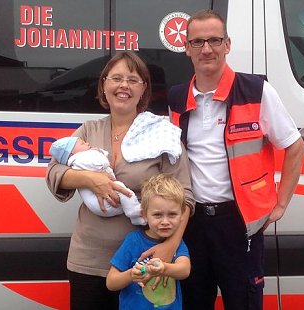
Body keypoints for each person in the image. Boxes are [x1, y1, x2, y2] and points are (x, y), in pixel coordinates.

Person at [167, 9, 304, 310]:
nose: (206, 49)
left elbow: (295, 147)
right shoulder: (176, 99)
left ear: (227, 45)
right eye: (198, 42)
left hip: (239, 224)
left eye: (214, 40)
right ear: (187, 48)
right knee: (193, 302)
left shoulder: (256, 91)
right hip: (193, 224)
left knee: (243, 302)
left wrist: (280, 204)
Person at [46, 51, 194, 310]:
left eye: (133, 79)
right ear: (103, 85)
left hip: (143, 263)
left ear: (143, 88)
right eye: (116, 78)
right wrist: (91, 180)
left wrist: (170, 247)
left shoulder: (163, 134)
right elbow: (54, 173)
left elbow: (186, 197)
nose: (123, 85)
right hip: (88, 259)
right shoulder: (88, 131)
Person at [106, 174, 192, 309]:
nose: (165, 222)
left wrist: (164, 268)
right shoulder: (133, 241)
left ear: (182, 214)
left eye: (172, 214)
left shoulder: (177, 243)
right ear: (144, 214)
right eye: (158, 215)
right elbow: (111, 282)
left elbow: (184, 270)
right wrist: (131, 275)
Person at [49, 136, 144, 225]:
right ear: (71, 153)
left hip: (102, 207)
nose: (87, 143)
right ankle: (134, 211)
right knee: (121, 188)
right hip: (100, 205)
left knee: (121, 196)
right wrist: (90, 178)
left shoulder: (81, 156)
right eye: (82, 144)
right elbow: (101, 164)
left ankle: (133, 213)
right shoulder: (80, 158)